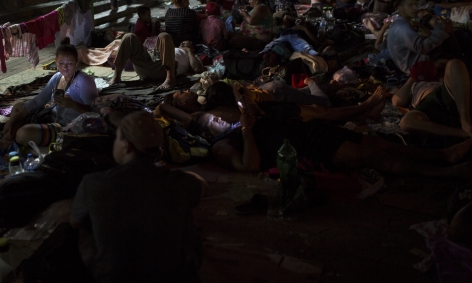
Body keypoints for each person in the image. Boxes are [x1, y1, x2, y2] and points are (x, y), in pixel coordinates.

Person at [158, 82, 472, 177]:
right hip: (307, 149)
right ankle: (445, 172)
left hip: (309, 131)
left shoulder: (243, 111)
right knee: (373, 157)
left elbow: (169, 108)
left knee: (382, 145)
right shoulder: (221, 145)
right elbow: (250, 166)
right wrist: (246, 130)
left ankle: (443, 155)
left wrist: (247, 109)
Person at [70, 110, 205, 283]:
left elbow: (74, 221)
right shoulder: (180, 182)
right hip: (175, 275)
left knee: (80, 227)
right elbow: (199, 189)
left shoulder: (93, 183)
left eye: (117, 137)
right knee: (185, 215)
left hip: (113, 276)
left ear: (127, 146)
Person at [0, 39, 99, 150]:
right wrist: (11, 121)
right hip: (51, 119)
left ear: (77, 63)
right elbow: (38, 101)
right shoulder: (57, 77)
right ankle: (7, 140)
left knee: (23, 133)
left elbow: (94, 114)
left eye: (70, 64)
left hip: (69, 127)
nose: (65, 67)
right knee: (18, 107)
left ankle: (10, 139)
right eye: (61, 63)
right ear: (56, 63)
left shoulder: (84, 81)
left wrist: (73, 105)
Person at [400, 59, 472, 138]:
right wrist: (413, 77)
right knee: (406, 122)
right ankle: (465, 133)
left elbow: (456, 69)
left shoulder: (444, 76)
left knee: (455, 64)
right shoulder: (415, 83)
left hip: (450, 95)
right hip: (429, 103)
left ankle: (465, 120)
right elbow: (397, 101)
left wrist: (440, 69)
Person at [109, 32, 204, 90]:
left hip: (163, 69)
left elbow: (197, 68)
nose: (183, 43)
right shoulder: (171, 47)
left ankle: (170, 78)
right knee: (129, 36)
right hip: (148, 63)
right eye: (182, 43)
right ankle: (117, 76)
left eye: (188, 43)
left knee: (165, 35)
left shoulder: (191, 55)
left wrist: (189, 51)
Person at [387, 0, 450, 74]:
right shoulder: (401, 27)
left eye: (416, 5)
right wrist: (442, 32)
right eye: (410, 5)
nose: (415, 8)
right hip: (414, 66)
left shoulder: (403, 23)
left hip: (414, 60)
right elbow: (421, 48)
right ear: (400, 8)